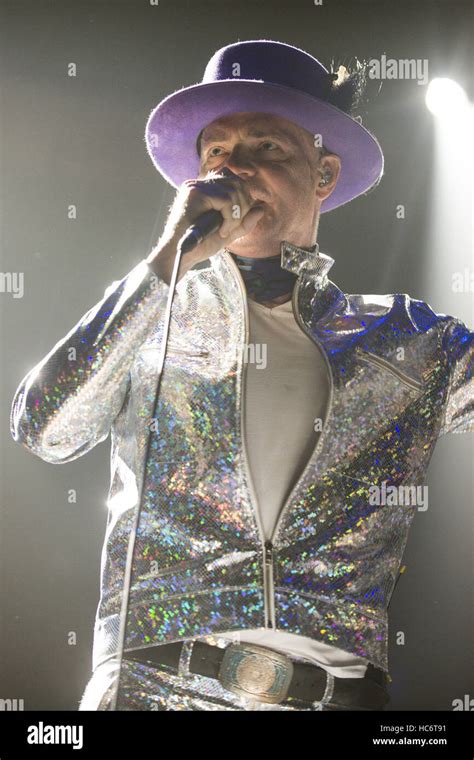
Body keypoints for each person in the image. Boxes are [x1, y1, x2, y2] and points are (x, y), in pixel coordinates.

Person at [10, 40, 473, 712]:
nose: (234, 170)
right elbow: (43, 428)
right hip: (156, 687)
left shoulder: (406, 340)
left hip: (337, 696)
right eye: (216, 154)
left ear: (324, 174)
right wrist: (164, 265)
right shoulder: (148, 313)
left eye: (266, 148)